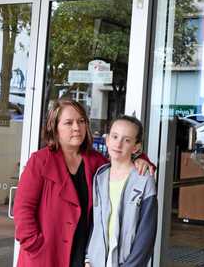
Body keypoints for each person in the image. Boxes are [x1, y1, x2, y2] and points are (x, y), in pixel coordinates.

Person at [13, 99, 154, 267]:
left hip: (81, 254)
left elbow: (121, 160)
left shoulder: (95, 161)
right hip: (45, 253)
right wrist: (33, 242)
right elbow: (23, 207)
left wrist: (141, 159)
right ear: (55, 127)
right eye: (68, 122)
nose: (76, 127)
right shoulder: (40, 161)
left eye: (81, 121)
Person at [85, 115, 157, 267]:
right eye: (115, 136)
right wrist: (87, 258)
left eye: (127, 140)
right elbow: (93, 223)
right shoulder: (100, 177)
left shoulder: (144, 180)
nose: (118, 144)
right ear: (107, 140)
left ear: (136, 147)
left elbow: (146, 234)